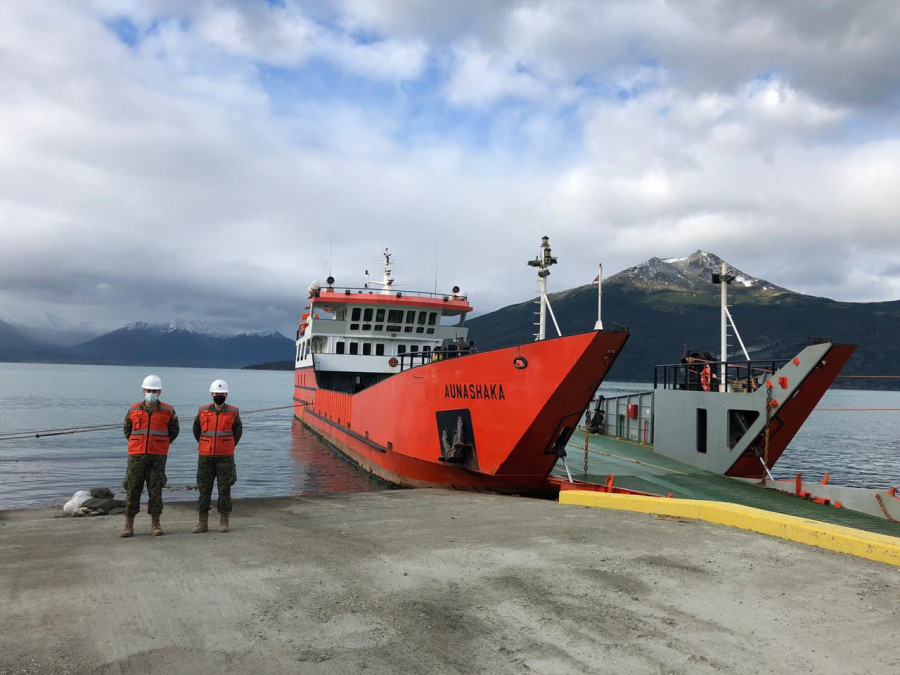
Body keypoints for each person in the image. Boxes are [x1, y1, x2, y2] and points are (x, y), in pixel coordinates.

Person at [121, 374, 179, 538]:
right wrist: (136, 444)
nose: (151, 393)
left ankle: (155, 524)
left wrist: (161, 444)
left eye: (154, 390)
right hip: (136, 457)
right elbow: (128, 430)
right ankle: (128, 525)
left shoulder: (168, 410)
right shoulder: (133, 410)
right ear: (143, 390)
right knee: (132, 489)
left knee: (156, 490)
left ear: (159, 392)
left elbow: (173, 431)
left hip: (157, 457)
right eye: (148, 390)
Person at [192, 379, 242, 533]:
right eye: (216, 393)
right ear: (211, 394)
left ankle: (224, 520)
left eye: (221, 393)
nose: (218, 395)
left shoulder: (233, 412)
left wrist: (227, 445)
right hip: (206, 456)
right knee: (204, 488)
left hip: (225, 457)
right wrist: (206, 444)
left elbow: (237, 432)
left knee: (225, 488)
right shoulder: (202, 411)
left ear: (226, 394)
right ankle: (202, 522)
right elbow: (196, 430)